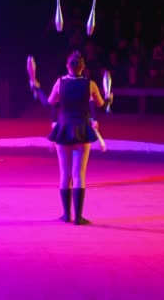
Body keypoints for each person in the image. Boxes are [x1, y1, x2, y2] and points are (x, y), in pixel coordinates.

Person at [46, 50, 112, 225]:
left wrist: (36, 89)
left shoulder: (59, 82)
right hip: (82, 129)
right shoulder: (90, 84)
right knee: (79, 174)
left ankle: (67, 215)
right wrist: (109, 99)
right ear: (83, 67)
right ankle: (79, 217)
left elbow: (51, 102)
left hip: (64, 128)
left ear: (68, 66)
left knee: (65, 174)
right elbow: (101, 104)